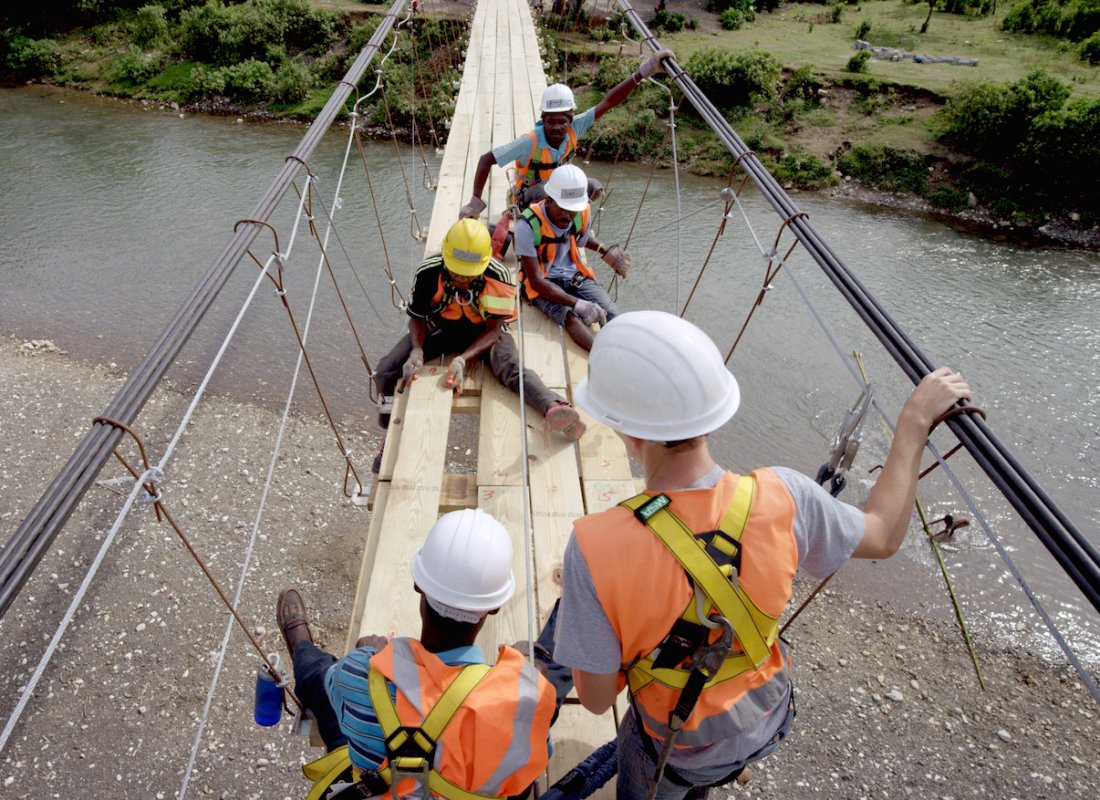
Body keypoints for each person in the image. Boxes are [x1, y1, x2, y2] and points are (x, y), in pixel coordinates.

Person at [552, 310, 973, 799]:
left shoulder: (595, 545)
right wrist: (914, 423)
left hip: (680, 748)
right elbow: (883, 536)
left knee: (650, 760)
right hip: (765, 719)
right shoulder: (785, 495)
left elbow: (601, 700)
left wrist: (609, 621)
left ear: (628, 430)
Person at [277, 508, 558, 800]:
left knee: (321, 674)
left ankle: (302, 650)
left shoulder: (358, 672)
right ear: (495, 606)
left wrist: (370, 656)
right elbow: (535, 760)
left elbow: (340, 688)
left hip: (375, 782)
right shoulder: (522, 705)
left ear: (417, 584)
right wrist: (527, 690)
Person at [373, 218, 586, 470]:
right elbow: (417, 318)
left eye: (468, 274)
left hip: (484, 331)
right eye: (456, 271)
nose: (462, 278)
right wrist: (417, 350)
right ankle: (389, 432)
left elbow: (495, 329)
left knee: (509, 367)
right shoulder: (428, 271)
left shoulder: (499, 276)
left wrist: (464, 358)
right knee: (387, 369)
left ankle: (553, 407)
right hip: (439, 327)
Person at [457, 48, 674, 221]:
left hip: (559, 193)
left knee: (593, 187)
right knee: (548, 194)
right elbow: (486, 159)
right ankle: (550, 222)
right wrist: (476, 201)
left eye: (562, 121)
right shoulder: (529, 142)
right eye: (551, 122)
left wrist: (644, 71)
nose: (557, 128)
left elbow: (608, 102)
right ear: (543, 120)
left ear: (570, 120)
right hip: (531, 195)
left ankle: (568, 221)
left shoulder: (575, 128)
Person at [517, 164, 630, 352]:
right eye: (561, 208)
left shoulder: (581, 213)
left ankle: (627, 351)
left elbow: (581, 240)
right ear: (548, 200)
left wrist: (604, 250)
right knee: (570, 317)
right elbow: (536, 281)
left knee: (612, 313)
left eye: (572, 210)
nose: (566, 215)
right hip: (543, 282)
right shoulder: (528, 225)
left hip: (574, 276)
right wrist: (577, 303)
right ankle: (602, 355)